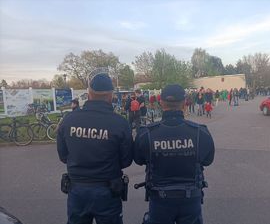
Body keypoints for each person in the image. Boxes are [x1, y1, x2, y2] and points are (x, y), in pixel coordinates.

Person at [57, 68, 133, 224]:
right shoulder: (120, 123)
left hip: (77, 190)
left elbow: (63, 156)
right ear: (111, 95)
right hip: (107, 191)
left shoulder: (69, 120)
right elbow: (126, 160)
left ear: (89, 93)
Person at [134, 84, 215, 224]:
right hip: (191, 199)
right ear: (184, 103)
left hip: (159, 199)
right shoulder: (200, 132)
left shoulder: (146, 133)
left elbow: (138, 159)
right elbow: (208, 160)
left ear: (161, 102)